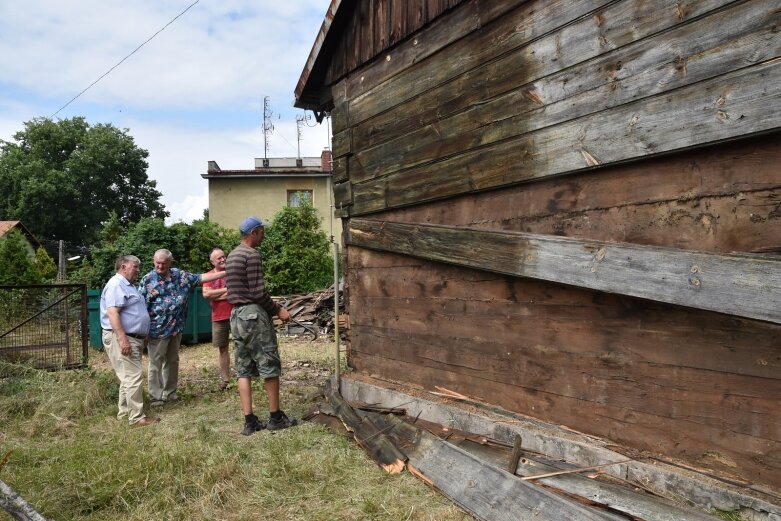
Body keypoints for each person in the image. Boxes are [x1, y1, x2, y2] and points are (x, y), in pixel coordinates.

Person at [226, 216, 295, 435]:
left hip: (235, 316)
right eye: (262, 231)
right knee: (269, 362)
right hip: (252, 314)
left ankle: (250, 421)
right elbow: (257, 292)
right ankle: (275, 417)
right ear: (254, 232)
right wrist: (278, 310)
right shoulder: (251, 254)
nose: (264, 235)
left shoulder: (232, 254)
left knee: (243, 368)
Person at [139, 248, 226, 407]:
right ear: (153, 261)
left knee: (172, 361)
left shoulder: (180, 276)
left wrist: (226, 272)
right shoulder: (147, 280)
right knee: (155, 363)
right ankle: (156, 397)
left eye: (163, 263)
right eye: (157, 263)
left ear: (170, 263)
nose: (160, 266)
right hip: (157, 330)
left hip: (176, 328)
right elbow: (140, 307)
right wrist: (143, 331)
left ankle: (170, 393)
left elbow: (201, 277)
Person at [99, 254, 160, 427]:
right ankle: (137, 418)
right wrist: (123, 339)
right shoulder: (116, 284)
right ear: (123, 266)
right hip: (124, 337)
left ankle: (124, 413)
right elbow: (112, 313)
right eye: (135, 266)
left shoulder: (127, 286)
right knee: (133, 376)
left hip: (132, 337)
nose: (138, 270)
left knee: (127, 377)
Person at [202, 247, 233, 390]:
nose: (222, 259)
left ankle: (247, 376)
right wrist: (228, 291)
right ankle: (226, 380)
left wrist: (216, 295)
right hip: (219, 317)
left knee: (244, 345)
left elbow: (238, 291)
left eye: (223, 256)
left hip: (236, 314)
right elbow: (206, 295)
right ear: (212, 261)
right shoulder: (208, 276)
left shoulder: (232, 273)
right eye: (219, 258)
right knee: (223, 348)